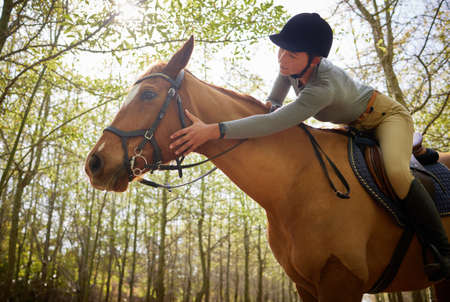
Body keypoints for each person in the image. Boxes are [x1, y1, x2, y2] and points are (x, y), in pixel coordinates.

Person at [169, 13, 450, 281]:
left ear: (314, 60)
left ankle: (442, 249)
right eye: (281, 50)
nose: (282, 58)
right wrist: (272, 102)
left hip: (387, 119)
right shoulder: (292, 67)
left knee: (397, 174)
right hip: (354, 125)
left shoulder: (322, 87)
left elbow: (274, 122)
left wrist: (214, 130)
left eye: (291, 54)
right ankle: (420, 153)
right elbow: (276, 97)